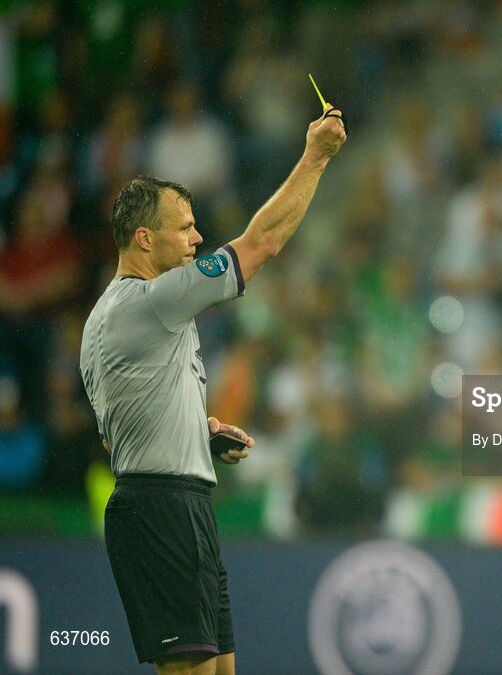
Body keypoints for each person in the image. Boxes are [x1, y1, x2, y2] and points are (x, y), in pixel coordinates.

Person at [79, 104, 346, 675]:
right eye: (186, 227)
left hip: (172, 500)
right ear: (145, 239)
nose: (199, 236)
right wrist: (316, 157)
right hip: (164, 509)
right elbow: (263, 243)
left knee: (220, 671)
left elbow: (124, 427)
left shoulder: (105, 319)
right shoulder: (156, 299)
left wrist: (201, 433)